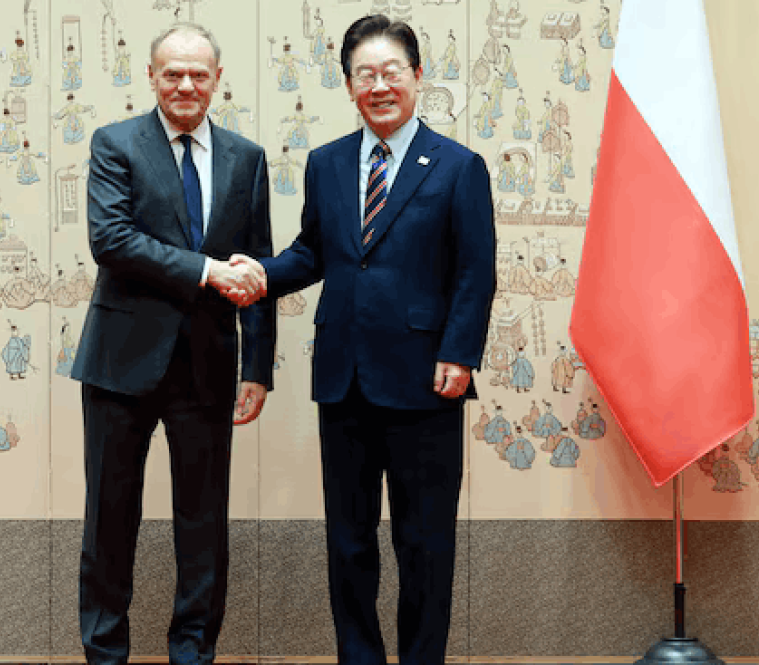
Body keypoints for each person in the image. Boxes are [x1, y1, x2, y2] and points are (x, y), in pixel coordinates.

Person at [244, 15, 495, 663]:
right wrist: (259, 274)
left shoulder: (459, 167)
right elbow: (313, 252)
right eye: (365, 75)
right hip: (344, 377)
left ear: (417, 76)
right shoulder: (326, 163)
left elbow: (475, 271)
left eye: (391, 72)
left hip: (426, 381)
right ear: (349, 84)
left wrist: (460, 352)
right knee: (349, 542)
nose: (379, 86)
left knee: (424, 543)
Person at [68, 23, 277, 665]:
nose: (186, 85)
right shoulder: (116, 144)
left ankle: (193, 653)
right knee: (110, 520)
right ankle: (105, 654)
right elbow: (112, 240)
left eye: (198, 74)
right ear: (152, 76)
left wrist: (257, 367)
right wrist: (206, 270)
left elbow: (258, 264)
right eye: (173, 73)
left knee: (204, 526)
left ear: (217, 80)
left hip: (208, 367)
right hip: (119, 364)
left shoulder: (246, 158)